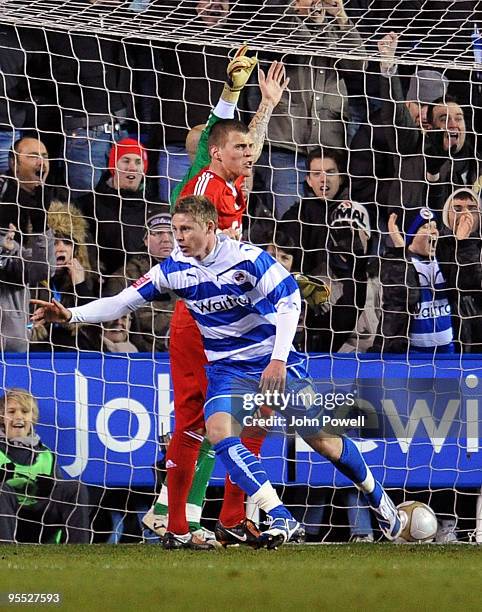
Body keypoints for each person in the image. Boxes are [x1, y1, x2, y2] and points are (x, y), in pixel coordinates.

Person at [32, 195, 406, 550]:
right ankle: (279, 515)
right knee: (218, 431)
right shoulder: (174, 270)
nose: (178, 238)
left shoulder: (248, 259)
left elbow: (291, 301)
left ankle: (377, 495)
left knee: (323, 440)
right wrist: (71, 315)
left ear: (210, 227)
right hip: (228, 369)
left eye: (186, 229)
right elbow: (120, 301)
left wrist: (277, 359)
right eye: (175, 230)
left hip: (275, 362)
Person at [152, 55, 289, 548]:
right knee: (193, 422)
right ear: (216, 154)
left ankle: (232, 519)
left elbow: (239, 141)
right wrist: (231, 94)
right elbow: (217, 138)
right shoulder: (203, 186)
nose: (250, 153)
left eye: (250, 148)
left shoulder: (231, 178)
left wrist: (266, 106)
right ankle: (176, 526)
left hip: (235, 316)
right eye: (240, 149)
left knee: (253, 413)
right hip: (199, 316)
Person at [245, 0, 365, 218]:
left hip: (327, 149)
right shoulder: (279, 18)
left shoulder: (336, 27)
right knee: (290, 222)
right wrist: (310, 19)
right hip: (286, 148)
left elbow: (359, 65)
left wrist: (341, 16)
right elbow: (300, 42)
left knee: (326, 223)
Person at [0, 388, 90, 543]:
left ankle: (79, 552)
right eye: (12, 411)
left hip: (41, 523)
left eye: (25, 411)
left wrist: (49, 487)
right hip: (6, 522)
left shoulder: (46, 455)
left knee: (75, 488)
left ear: (33, 417)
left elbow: (61, 493)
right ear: (2, 417)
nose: (19, 416)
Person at [30, 200, 100, 352]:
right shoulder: (27, 281)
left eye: (67, 242)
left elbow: (94, 336)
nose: (61, 248)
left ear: (76, 249)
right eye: (55, 241)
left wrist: (80, 286)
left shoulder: (82, 280)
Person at [102, 211, 176, 353]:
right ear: (146, 240)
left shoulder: (193, 271)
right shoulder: (125, 277)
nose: (166, 239)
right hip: (145, 354)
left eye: (171, 233)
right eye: (158, 233)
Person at [77, 138, 151, 276]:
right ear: (113, 166)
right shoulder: (88, 205)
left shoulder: (154, 208)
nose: (132, 168)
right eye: (126, 161)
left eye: (138, 162)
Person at [0, 215, 54, 353]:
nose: (12, 229)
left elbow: (44, 269)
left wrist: (41, 228)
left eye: (12, 224)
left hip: (16, 354)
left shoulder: (17, 254)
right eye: (5, 224)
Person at [0, 136, 63, 237]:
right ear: (14, 163)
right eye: (33, 156)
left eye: (45, 157)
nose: (42, 163)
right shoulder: (3, 192)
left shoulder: (61, 198)